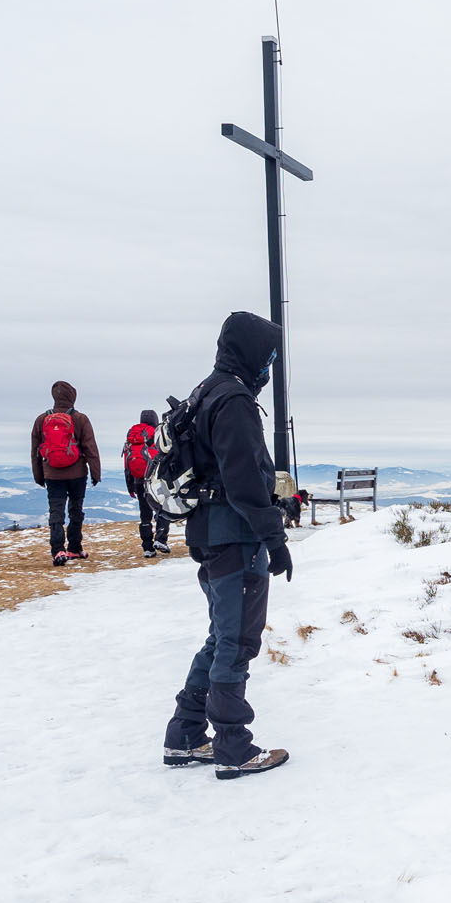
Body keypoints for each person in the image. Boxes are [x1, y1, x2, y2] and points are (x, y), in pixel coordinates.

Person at [161, 311, 293, 779]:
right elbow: (242, 483)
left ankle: (186, 736)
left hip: (210, 532)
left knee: (221, 637)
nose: (271, 365)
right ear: (252, 351)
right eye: (269, 355)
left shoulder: (207, 391)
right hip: (234, 536)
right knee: (235, 642)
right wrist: (274, 538)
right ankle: (234, 746)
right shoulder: (233, 399)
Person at [30, 381, 102, 565]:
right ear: (73, 397)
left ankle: (57, 550)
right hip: (77, 474)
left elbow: (35, 451)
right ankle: (75, 548)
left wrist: (39, 476)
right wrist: (95, 473)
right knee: (76, 510)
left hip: (52, 474)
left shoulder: (41, 420)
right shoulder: (81, 419)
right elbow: (90, 448)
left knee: (56, 512)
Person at [123, 408, 172, 558]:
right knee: (164, 508)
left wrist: (130, 486)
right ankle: (160, 539)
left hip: (138, 480)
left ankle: (147, 548)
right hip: (156, 480)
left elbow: (127, 463)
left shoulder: (132, 436)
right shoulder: (158, 432)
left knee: (145, 514)